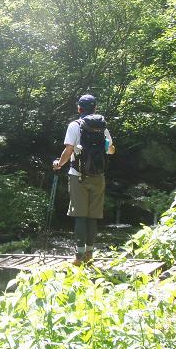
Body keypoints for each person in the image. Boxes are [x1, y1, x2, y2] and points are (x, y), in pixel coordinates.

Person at [53, 94, 115, 265]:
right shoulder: (102, 127)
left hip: (78, 175)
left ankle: (79, 257)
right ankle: (89, 254)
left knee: (80, 215)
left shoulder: (75, 125)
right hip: (98, 176)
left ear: (79, 108)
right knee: (92, 217)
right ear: (95, 108)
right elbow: (111, 151)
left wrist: (59, 164)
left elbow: (68, 151)